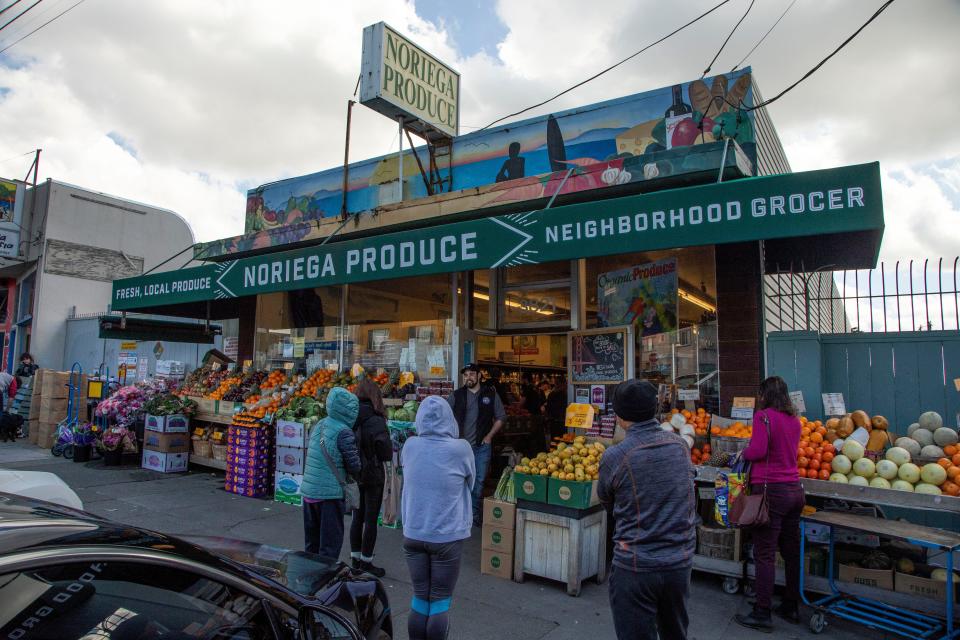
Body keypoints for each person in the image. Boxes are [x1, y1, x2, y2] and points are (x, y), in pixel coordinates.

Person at [598, 379, 696, 640]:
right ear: (654, 410)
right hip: (678, 562)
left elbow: (607, 502)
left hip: (635, 565)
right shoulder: (679, 447)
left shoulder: (615, 456)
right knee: (676, 633)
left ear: (619, 417)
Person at [401, 396, 475, 640]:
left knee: (420, 596)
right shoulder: (461, 448)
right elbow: (471, 482)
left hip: (414, 532)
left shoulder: (410, 445)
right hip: (447, 535)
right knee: (440, 601)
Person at [734, 376, 804, 631]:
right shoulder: (794, 420)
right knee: (791, 551)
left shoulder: (763, 417)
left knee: (764, 553)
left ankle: (762, 611)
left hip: (771, 492)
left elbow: (759, 451)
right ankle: (791, 605)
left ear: (765, 395)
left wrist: (744, 451)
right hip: (794, 490)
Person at [300, 386, 362, 560]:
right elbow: (354, 465)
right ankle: (325, 582)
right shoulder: (344, 431)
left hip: (309, 493)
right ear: (351, 410)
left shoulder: (319, 424)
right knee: (329, 546)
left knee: (311, 545)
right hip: (329, 496)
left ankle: (308, 580)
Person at [446, 363, 506, 526]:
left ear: (479, 376)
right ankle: (459, 515)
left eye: (472, 374)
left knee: (478, 481)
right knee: (458, 481)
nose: (468, 377)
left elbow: (501, 417)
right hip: (459, 448)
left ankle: (473, 516)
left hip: (481, 446)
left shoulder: (490, 394)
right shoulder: (456, 395)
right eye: (465, 375)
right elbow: (444, 416)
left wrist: (489, 436)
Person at [349, 379, 393, 578]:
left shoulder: (350, 416)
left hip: (356, 472)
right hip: (373, 474)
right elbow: (385, 452)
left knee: (357, 517)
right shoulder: (377, 420)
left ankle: (354, 559)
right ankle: (367, 562)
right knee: (370, 520)